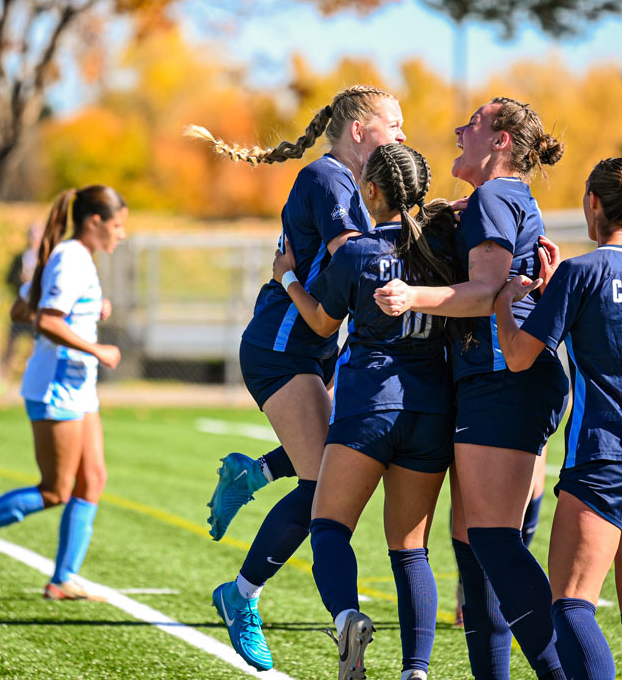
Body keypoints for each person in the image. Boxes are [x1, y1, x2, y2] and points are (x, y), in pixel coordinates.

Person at [185, 85, 406, 672]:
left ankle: (252, 471)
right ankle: (241, 595)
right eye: (394, 124)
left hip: (313, 345)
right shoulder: (329, 176)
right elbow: (354, 255)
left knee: (338, 458)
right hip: (284, 345)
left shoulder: (349, 183)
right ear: (359, 129)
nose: (402, 135)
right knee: (321, 490)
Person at [375, 97, 570, 680]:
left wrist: (411, 296)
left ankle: (563, 672)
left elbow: (487, 292)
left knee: (494, 544)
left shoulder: (493, 196)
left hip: (502, 380)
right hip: (491, 380)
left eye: (476, 123)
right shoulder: (494, 200)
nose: (461, 129)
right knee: (475, 549)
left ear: (503, 140)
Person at [492, 157, 622, 680]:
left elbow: (520, 355)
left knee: (571, 606)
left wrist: (503, 303)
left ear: (593, 203)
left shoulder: (581, 271)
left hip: (604, 461)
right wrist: (555, 295)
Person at [272, 143, 457, 680]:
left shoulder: (356, 253)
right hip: (431, 410)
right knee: (410, 549)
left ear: (369, 192)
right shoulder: (445, 245)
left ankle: (348, 617)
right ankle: (416, 671)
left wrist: (286, 277)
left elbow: (322, 323)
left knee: (329, 526)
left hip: (370, 406)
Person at [0, 185, 127, 600]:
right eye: (118, 225)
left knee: (92, 479)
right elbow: (48, 321)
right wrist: (98, 348)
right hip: (57, 386)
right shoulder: (71, 258)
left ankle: (63, 580)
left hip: (78, 385)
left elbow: (24, 308)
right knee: (55, 490)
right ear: (95, 221)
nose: (121, 234)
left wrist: (92, 309)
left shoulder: (75, 258)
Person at [1, 221, 43, 380]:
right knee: (10, 347)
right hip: (21, 309)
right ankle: (1, 380)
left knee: (34, 348)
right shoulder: (21, 258)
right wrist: (20, 281)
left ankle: (29, 378)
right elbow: (8, 279)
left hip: (36, 311)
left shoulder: (45, 259)